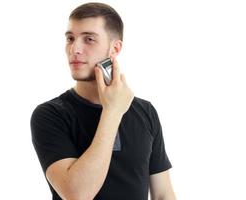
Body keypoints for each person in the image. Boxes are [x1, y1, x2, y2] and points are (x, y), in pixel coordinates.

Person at [30, 2, 176, 200]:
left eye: (89, 39)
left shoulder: (145, 111)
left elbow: (163, 194)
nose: (75, 49)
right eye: (70, 38)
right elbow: (77, 195)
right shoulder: (51, 114)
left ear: (114, 48)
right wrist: (112, 111)